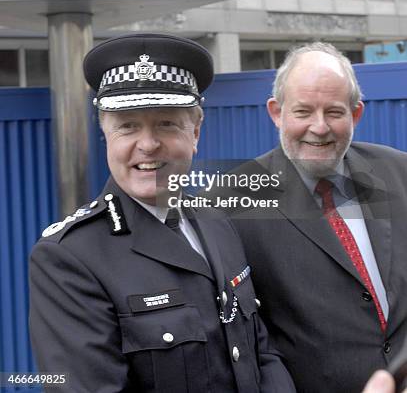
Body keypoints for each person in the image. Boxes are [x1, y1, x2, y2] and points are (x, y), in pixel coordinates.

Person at [29, 33, 296, 393]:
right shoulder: (70, 258)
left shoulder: (216, 221)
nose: (148, 144)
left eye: (166, 124)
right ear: (105, 135)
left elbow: (259, 352)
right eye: (128, 126)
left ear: (196, 131)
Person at [226, 42, 407, 393]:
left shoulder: (400, 172)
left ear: (356, 114)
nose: (319, 127)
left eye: (334, 112)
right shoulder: (231, 203)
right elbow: (245, 341)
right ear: (276, 112)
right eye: (303, 111)